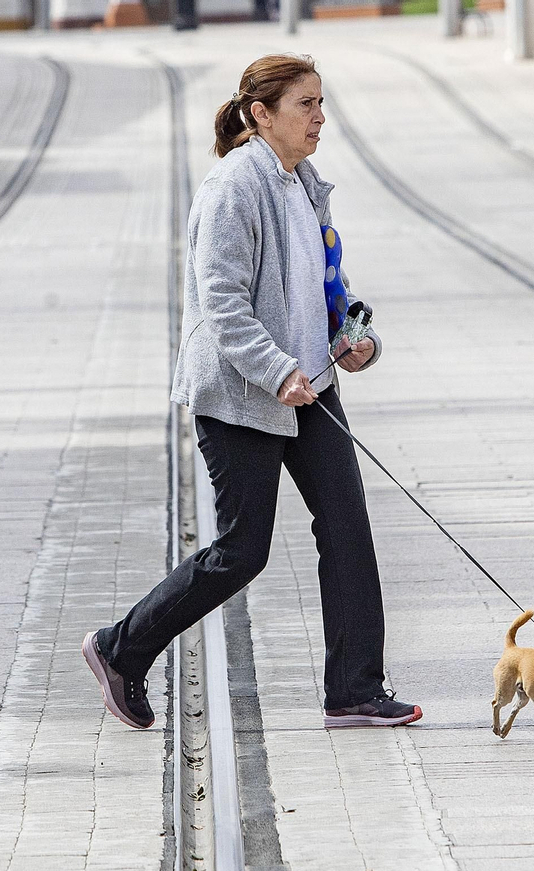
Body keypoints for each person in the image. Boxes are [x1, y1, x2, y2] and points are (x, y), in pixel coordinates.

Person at [82, 54, 422, 731]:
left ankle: (354, 690)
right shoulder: (235, 186)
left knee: (348, 530)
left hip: (310, 386)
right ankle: (120, 648)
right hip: (242, 393)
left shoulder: (304, 185)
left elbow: (331, 288)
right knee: (243, 549)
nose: (321, 117)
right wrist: (276, 371)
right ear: (262, 114)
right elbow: (221, 305)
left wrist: (355, 341)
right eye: (306, 105)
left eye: (322, 103)